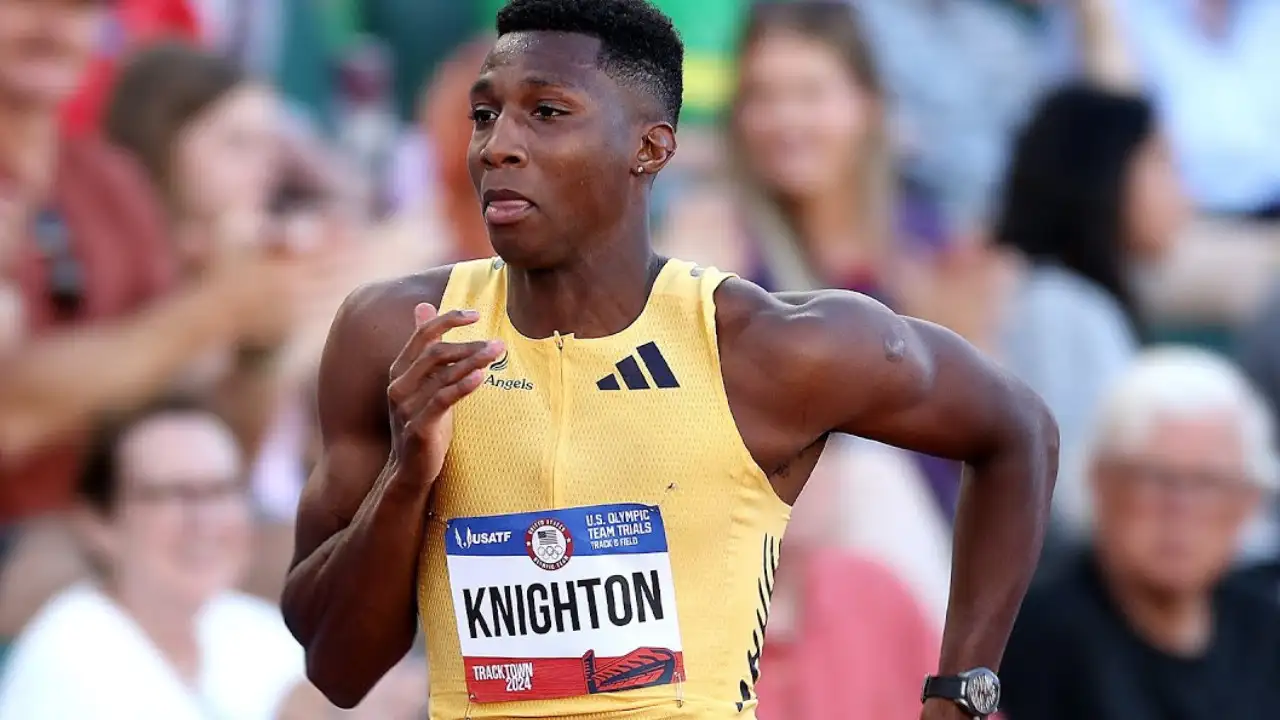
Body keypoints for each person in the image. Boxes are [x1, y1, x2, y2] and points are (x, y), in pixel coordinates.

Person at [281, 1, 1059, 719]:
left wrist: (964, 689)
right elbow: (339, 669)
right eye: (486, 115)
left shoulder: (760, 347)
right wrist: (408, 476)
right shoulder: (397, 335)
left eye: (547, 113)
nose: (499, 145)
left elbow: (1017, 429)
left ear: (649, 148)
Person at [0, 397, 327, 720]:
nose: (205, 521)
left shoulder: (262, 631)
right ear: (99, 523)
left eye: (223, 489)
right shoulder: (67, 654)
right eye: (173, 494)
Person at [1000, 347, 1280, 720]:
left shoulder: (1266, 632)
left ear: (1247, 503)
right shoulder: (1035, 636)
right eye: (1155, 479)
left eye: (1209, 483)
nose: (1181, 509)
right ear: (1101, 484)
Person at [993, 82, 1187, 541]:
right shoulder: (1057, 309)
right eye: (1162, 163)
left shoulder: (1073, 301)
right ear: (1104, 173)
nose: (1185, 193)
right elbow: (1078, 503)